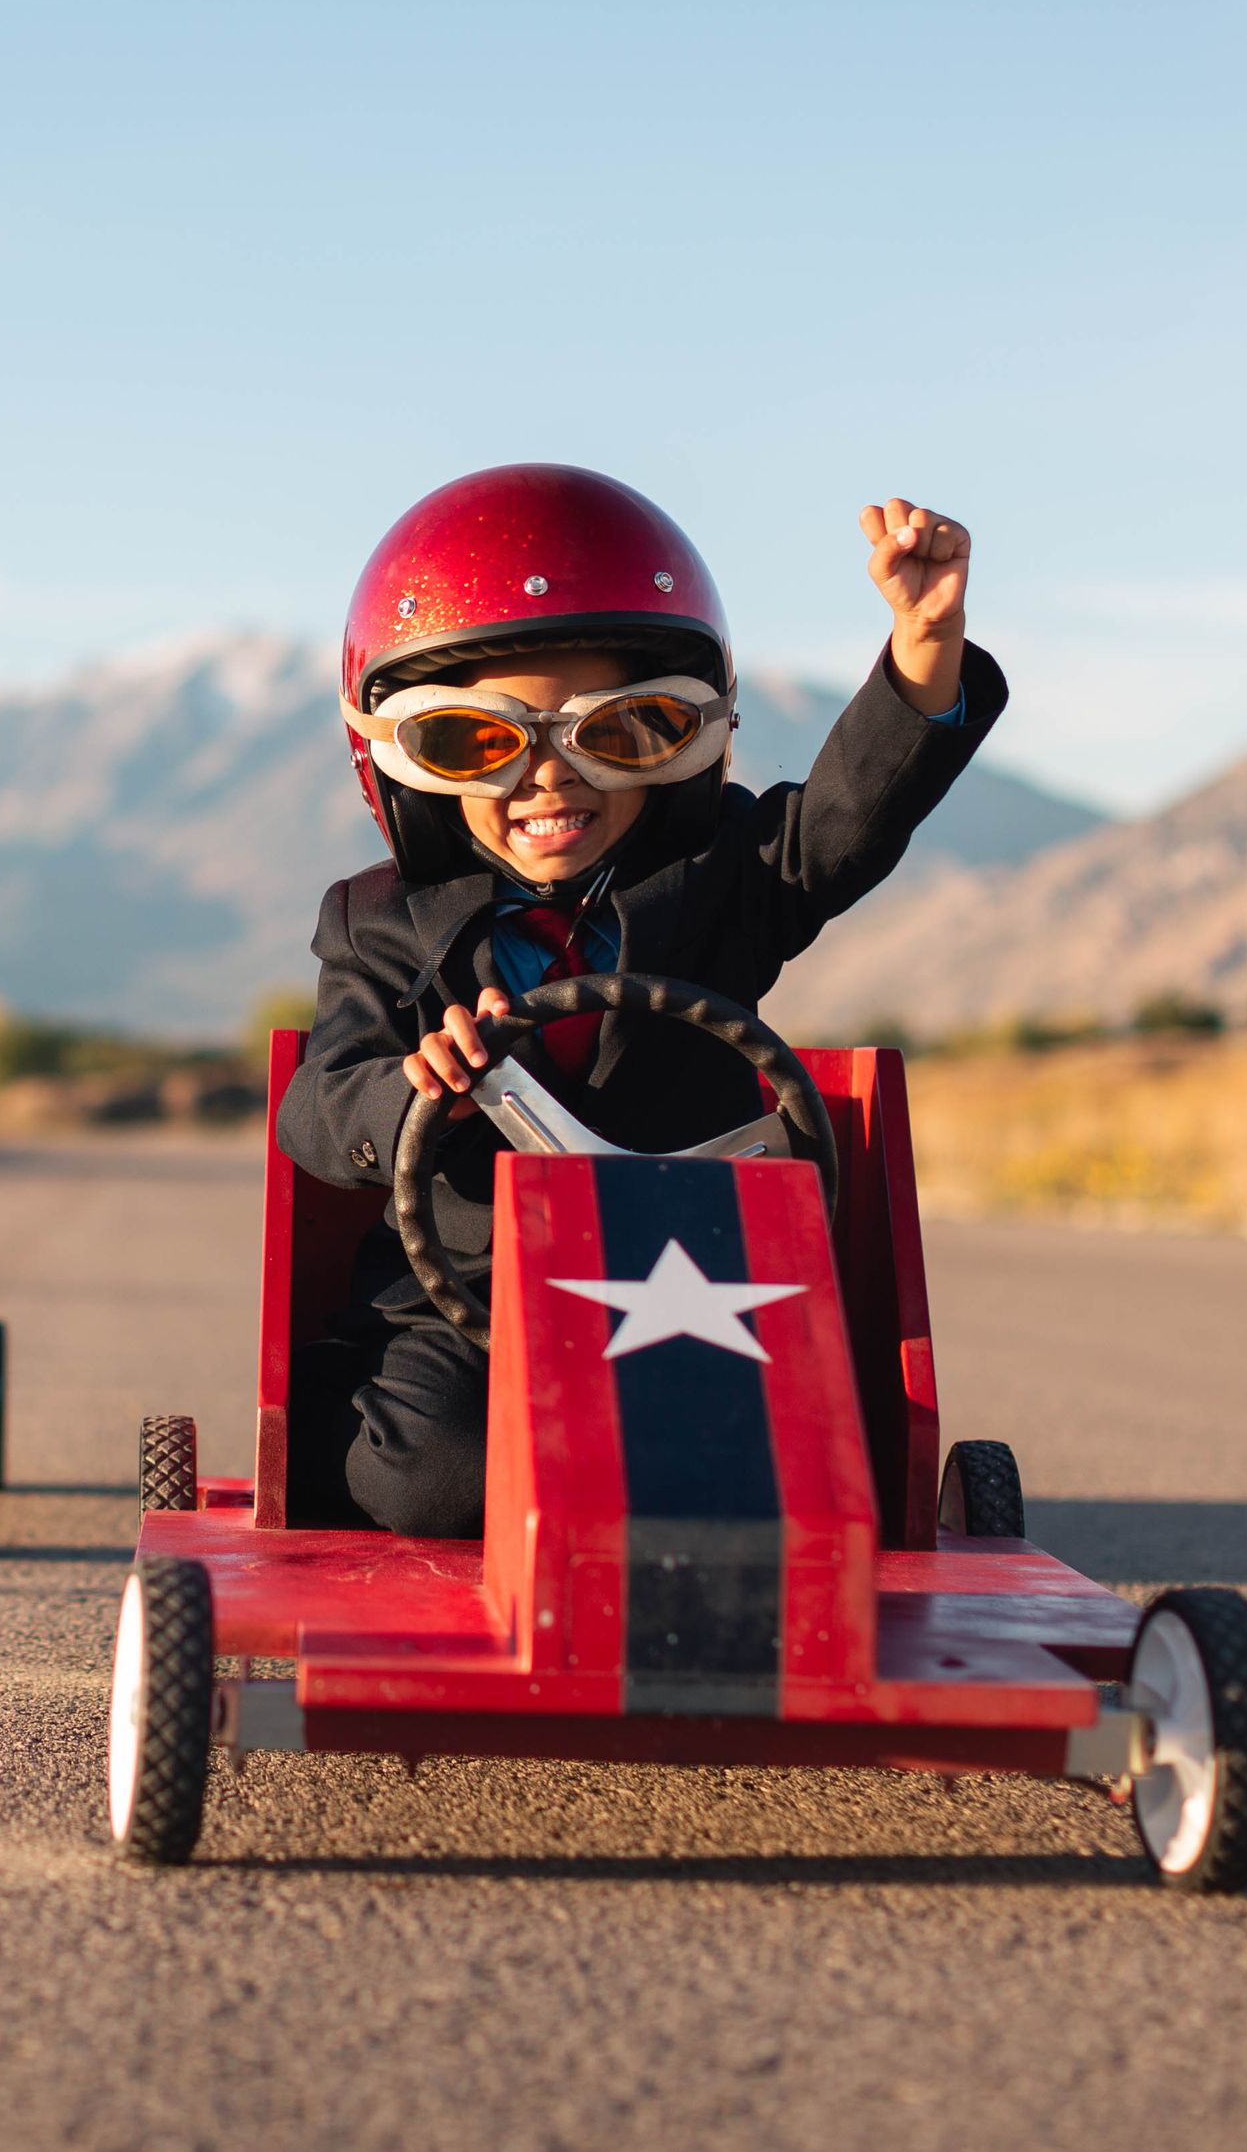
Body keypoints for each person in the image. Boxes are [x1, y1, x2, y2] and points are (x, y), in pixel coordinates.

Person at [273, 462, 1000, 1537]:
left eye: (617, 731)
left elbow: (846, 822)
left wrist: (922, 655)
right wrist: (413, 1090)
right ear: (404, 758)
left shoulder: (722, 882)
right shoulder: (378, 924)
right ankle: (370, 1451)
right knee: (432, 1477)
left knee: (799, 1473)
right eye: (482, 741)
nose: (552, 778)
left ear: (684, 736)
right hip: (467, 1306)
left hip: (700, 1290)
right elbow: (318, 1104)